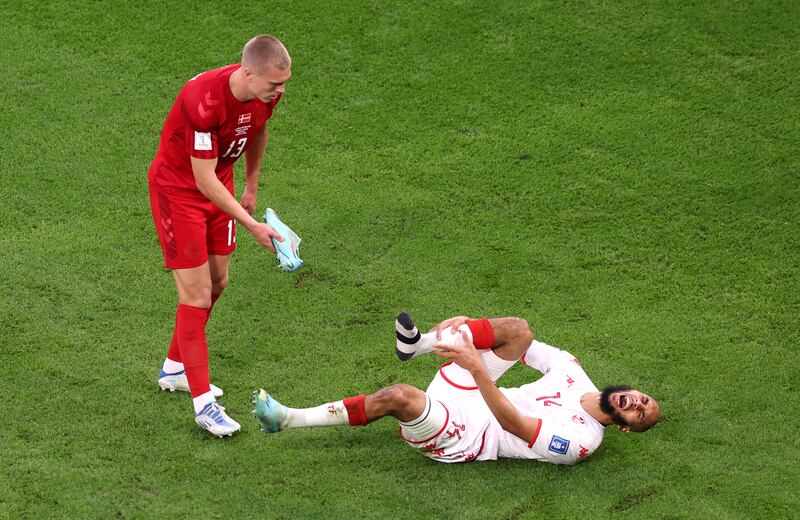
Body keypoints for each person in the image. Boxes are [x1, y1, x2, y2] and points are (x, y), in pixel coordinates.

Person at [253, 313, 661, 464]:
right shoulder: (573, 370)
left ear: (623, 426)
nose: (635, 404)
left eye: (638, 414)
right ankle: (419, 346)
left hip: (471, 434)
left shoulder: (580, 443)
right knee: (517, 329)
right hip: (473, 395)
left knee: (400, 396)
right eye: (642, 399)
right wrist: (467, 330)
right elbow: (516, 341)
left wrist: (474, 365)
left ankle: (287, 420)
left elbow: (512, 423)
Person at [148, 35, 292, 437]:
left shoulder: (266, 94)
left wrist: (251, 185)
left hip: (221, 187)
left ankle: (176, 368)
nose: (279, 92)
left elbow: (258, 129)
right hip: (180, 193)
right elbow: (203, 178)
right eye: (274, 85)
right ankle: (203, 406)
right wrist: (252, 226)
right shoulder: (203, 99)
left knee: (218, 282)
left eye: (283, 84)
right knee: (194, 295)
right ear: (247, 73)